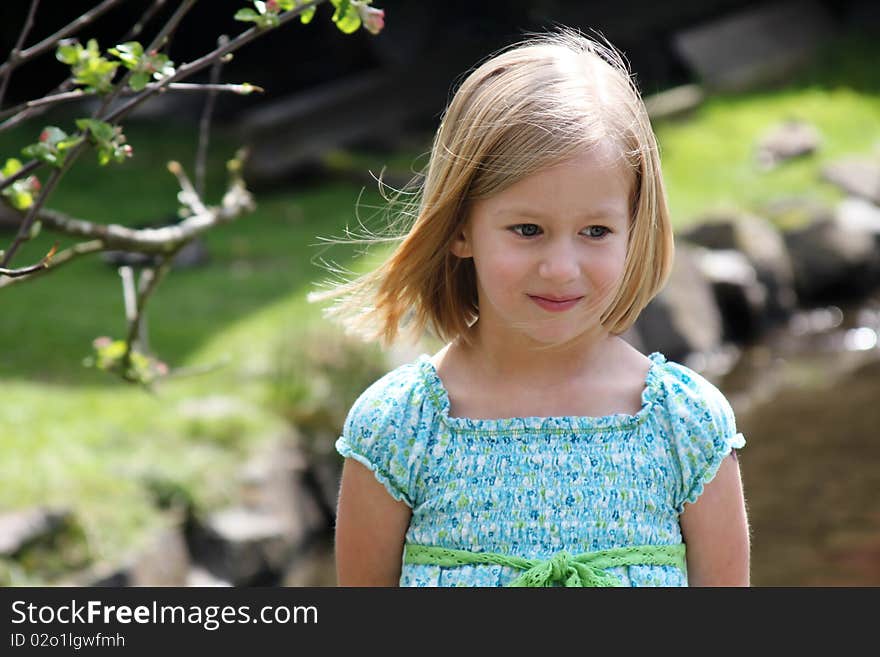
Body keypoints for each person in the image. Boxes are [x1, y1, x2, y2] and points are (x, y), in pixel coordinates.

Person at [313, 28, 750, 587]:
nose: (562, 267)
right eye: (528, 229)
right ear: (460, 229)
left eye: (596, 230)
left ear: (634, 229)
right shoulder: (399, 431)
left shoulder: (685, 426)